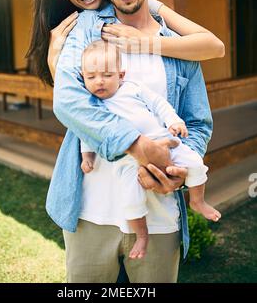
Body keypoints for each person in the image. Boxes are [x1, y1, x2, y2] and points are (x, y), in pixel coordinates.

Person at [27, 0, 225, 283]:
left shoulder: (180, 46)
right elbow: (69, 101)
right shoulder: (88, 28)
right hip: (90, 212)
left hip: (160, 215)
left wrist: (177, 174)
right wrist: (139, 146)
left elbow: (197, 123)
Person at [80, 39, 221, 260]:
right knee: (131, 199)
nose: (99, 82)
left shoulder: (132, 88)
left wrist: (173, 121)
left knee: (195, 162)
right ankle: (142, 235)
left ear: (121, 75)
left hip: (163, 142)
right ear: (83, 78)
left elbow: (158, 104)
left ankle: (197, 200)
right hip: (125, 160)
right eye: (91, 77)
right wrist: (87, 156)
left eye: (107, 75)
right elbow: (87, 131)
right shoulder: (92, 103)